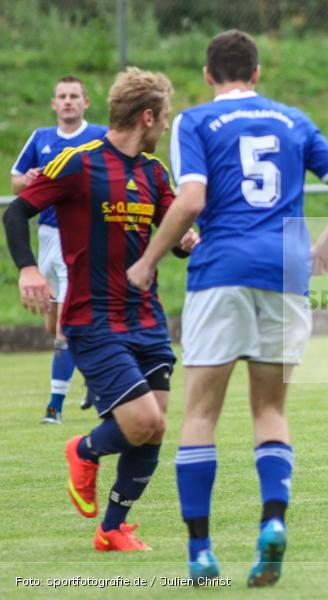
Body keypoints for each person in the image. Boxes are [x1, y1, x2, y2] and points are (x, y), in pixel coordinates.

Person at [127, 30, 328, 586]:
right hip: (285, 273)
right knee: (270, 411)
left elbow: (191, 199)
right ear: (256, 74)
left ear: (209, 75)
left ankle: (202, 553)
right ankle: (272, 523)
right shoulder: (293, 120)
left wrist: (147, 262)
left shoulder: (193, 122)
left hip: (222, 272)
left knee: (201, 415)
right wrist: (323, 251)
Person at [3, 67, 194, 550]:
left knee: (155, 428)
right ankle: (83, 449)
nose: (166, 128)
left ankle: (112, 528)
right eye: (164, 119)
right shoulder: (77, 163)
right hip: (94, 318)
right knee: (142, 422)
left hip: (147, 317)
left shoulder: (154, 173)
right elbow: (15, 211)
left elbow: (174, 230)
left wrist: (186, 241)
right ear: (146, 117)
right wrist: (29, 269)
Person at [10, 76, 107, 423]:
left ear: (85, 102)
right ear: (53, 103)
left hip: (79, 237)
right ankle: (92, 379)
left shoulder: (99, 137)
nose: (68, 101)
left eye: (74, 96)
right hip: (47, 237)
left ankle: (54, 407)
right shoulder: (41, 138)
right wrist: (30, 179)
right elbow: (16, 181)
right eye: (62, 96)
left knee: (66, 326)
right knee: (52, 325)